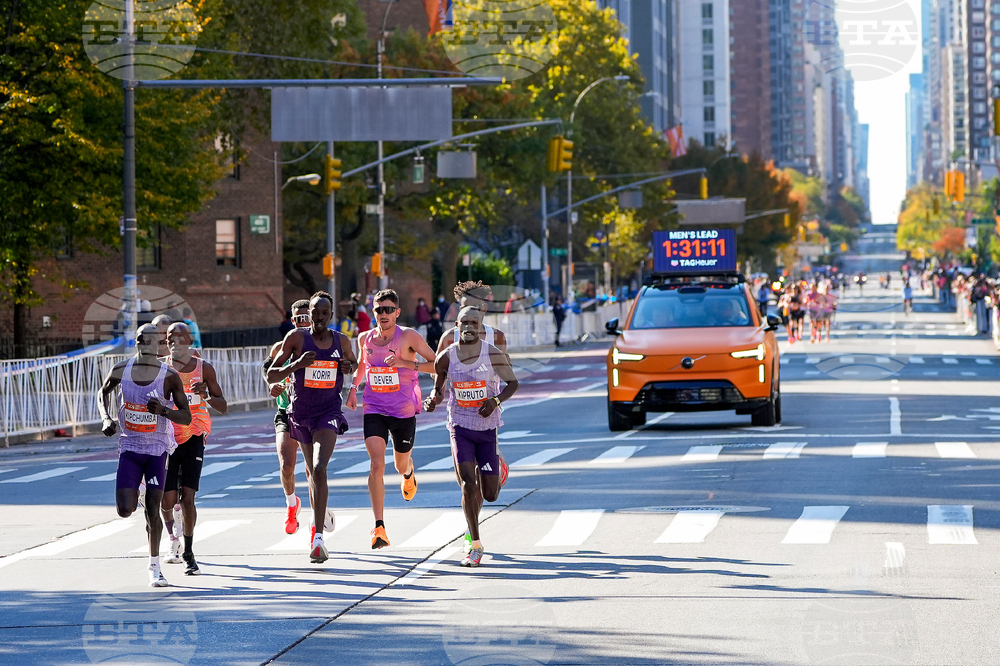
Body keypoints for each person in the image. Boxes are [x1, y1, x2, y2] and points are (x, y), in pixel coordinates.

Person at [266, 292, 358, 563]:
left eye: (323, 313)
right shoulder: (296, 339)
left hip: (328, 412)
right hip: (300, 414)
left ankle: (318, 538)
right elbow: (272, 373)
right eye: (314, 313)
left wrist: (347, 366)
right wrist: (296, 364)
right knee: (309, 472)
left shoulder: (341, 340)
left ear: (331, 315)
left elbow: (353, 364)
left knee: (319, 468)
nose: (318, 318)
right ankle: (310, 515)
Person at [425, 306, 519, 567]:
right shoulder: (445, 357)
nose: (468, 327)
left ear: (481, 326)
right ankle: (475, 545)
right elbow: (438, 390)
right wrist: (432, 400)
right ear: (456, 325)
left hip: (487, 429)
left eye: (473, 322)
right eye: (463, 322)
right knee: (468, 483)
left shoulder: (493, 354)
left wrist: (495, 400)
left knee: (490, 495)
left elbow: (513, 383)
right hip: (459, 426)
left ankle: (497, 467)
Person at [98, 324, 192, 587]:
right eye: (140, 340)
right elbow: (102, 392)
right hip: (129, 447)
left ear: (159, 345)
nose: (144, 345)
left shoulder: (169, 376)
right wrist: (106, 417)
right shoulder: (121, 370)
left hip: (156, 450)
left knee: (154, 510)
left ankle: (154, 568)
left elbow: (186, 417)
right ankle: (137, 494)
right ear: (137, 343)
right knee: (124, 510)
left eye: (150, 341)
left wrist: (164, 411)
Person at [345, 289, 437, 549]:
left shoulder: (408, 336)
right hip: (373, 407)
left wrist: (405, 364)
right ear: (373, 312)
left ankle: (408, 473)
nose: (383, 314)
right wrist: (353, 387)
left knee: (399, 464)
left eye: (388, 310)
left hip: (403, 410)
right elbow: (364, 364)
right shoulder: (366, 337)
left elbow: (437, 363)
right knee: (376, 464)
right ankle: (379, 527)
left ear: (397, 312)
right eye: (379, 310)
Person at [160, 322, 227, 575]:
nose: (175, 343)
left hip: (194, 435)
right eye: (170, 338)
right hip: (166, 438)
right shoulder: (161, 369)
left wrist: (207, 395)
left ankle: (188, 552)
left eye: (180, 338)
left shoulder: (203, 368)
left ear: (189, 341)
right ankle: (171, 527)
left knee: (188, 498)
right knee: (168, 501)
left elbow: (223, 405)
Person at [262, 299, 312, 535]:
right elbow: (269, 373)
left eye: (306, 317)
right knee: (286, 465)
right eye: (298, 319)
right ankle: (292, 505)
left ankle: (317, 517)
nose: (303, 322)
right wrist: (271, 387)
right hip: (285, 410)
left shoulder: (320, 344)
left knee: (313, 469)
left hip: (312, 412)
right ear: (292, 321)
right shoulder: (280, 347)